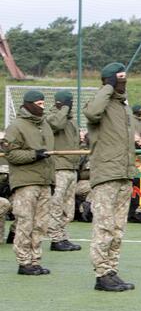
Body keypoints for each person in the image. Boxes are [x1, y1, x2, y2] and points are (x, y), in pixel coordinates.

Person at [83, 62, 135, 291]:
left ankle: (111, 270)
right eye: (119, 80)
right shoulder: (99, 103)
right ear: (110, 82)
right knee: (104, 226)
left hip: (123, 174)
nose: (123, 84)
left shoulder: (123, 107)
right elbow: (92, 113)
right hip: (106, 174)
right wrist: (107, 87)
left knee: (117, 228)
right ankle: (101, 274)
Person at [4, 90, 54, 275]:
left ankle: (35, 260)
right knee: (25, 222)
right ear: (29, 104)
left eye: (43, 103)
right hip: (26, 181)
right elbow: (11, 154)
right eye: (39, 104)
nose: (42, 107)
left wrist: (51, 180)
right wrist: (34, 155)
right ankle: (24, 262)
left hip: (44, 181)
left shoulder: (45, 125)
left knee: (41, 224)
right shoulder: (16, 126)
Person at [45, 90, 82, 252]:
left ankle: (62, 235)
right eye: (68, 101)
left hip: (71, 167)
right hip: (59, 167)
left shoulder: (71, 120)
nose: (71, 103)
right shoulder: (52, 117)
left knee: (68, 207)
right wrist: (64, 109)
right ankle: (55, 238)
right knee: (56, 204)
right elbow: (57, 125)